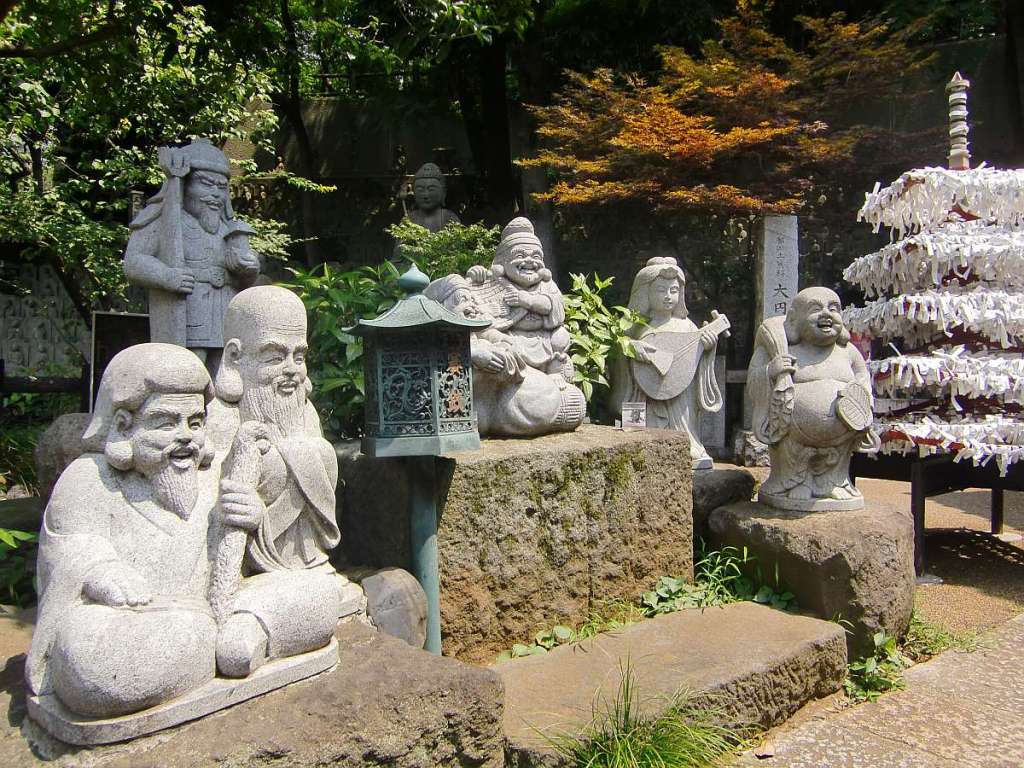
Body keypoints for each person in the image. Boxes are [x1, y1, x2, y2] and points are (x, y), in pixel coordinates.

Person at [26, 344, 220, 717]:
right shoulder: (89, 479)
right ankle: (229, 642)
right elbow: (67, 545)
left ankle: (231, 636)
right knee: (96, 667)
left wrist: (251, 515)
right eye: (166, 422)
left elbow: (245, 560)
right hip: (124, 625)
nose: (186, 436)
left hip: (201, 612)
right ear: (123, 426)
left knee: (311, 592)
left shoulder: (212, 476)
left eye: (195, 423)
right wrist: (99, 569)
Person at [209, 285, 341, 676]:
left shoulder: (304, 411)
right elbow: (201, 507)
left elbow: (322, 478)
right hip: (246, 570)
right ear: (236, 357)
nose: (292, 369)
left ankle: (254, 633)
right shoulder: (220, 419)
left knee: (312, 449)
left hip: (305, 561)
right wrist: (236, 509)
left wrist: (305, 457)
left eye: (299, 356)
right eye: (274, 356)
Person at [124, 138, 261, 370]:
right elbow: (133, 262)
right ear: (184, 184)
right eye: (206, 184)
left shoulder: (229, 228)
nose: (216, 194)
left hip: (224, 318)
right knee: (189, 371)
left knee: (227, 374)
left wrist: (249, 268)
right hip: (187, 318)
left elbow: (245, 280)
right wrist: (167, 276)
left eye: (221, 187)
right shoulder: (164, 219)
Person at [748, 286, 879, 509]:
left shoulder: (847, 351)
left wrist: (862, 395)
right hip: (792, 430)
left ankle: (832, 483)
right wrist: (771, 370)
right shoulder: (781, 349)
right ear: (794, 319)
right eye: (815, 309)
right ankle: (795, 482)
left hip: (842, 431)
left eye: (833, 308)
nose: (826, 314)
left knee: (838, 460)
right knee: (791, 452)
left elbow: (862, 377)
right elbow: (754, 380)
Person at [611, 257, 725, 469]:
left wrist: (708, 349)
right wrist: (631, 349)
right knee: (636, 428)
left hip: (679, 398)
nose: (668, 297)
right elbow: (619, 355)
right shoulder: (635, 327)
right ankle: (636, 439)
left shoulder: (687, 327)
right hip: (642, 393)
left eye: (673, 291)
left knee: (682, 412)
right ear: (645, 293)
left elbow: (693, 362)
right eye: (661, 290)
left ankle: (686, 442)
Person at [405, 162, 461, 233]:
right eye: (420, 190)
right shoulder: (410, 219)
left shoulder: (449, 218)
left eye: (431, 189)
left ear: (443, 193)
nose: (426, 195)